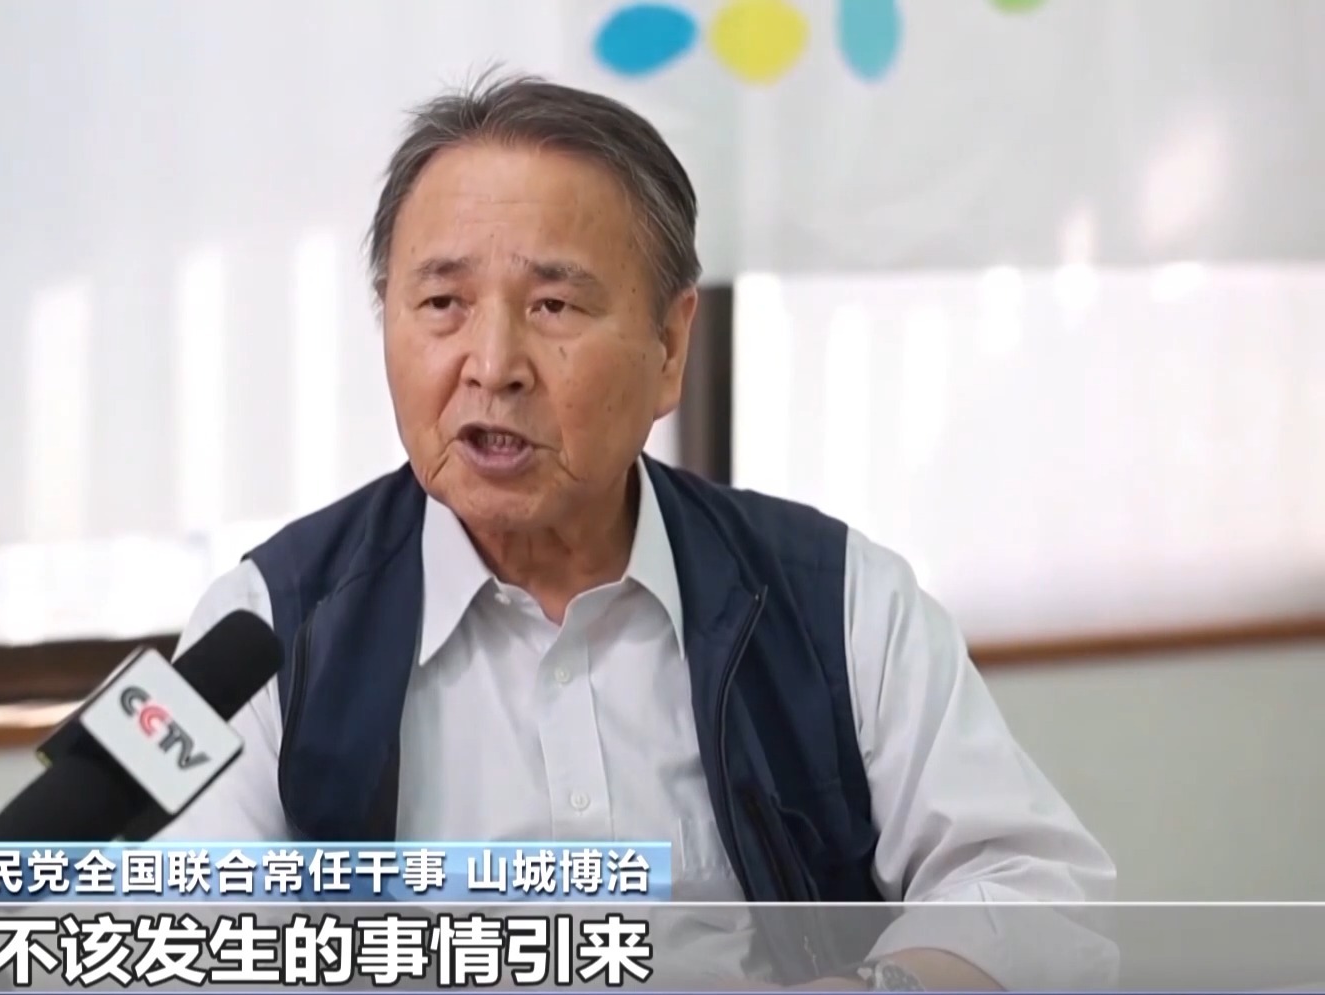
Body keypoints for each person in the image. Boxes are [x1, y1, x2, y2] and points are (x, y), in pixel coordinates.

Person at [157, 73, 1115, 990]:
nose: (493, 364)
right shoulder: (258, 625)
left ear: (670, 346)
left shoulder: (839, 601)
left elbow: (1040, 894)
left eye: (554, 306)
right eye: (443, 303)